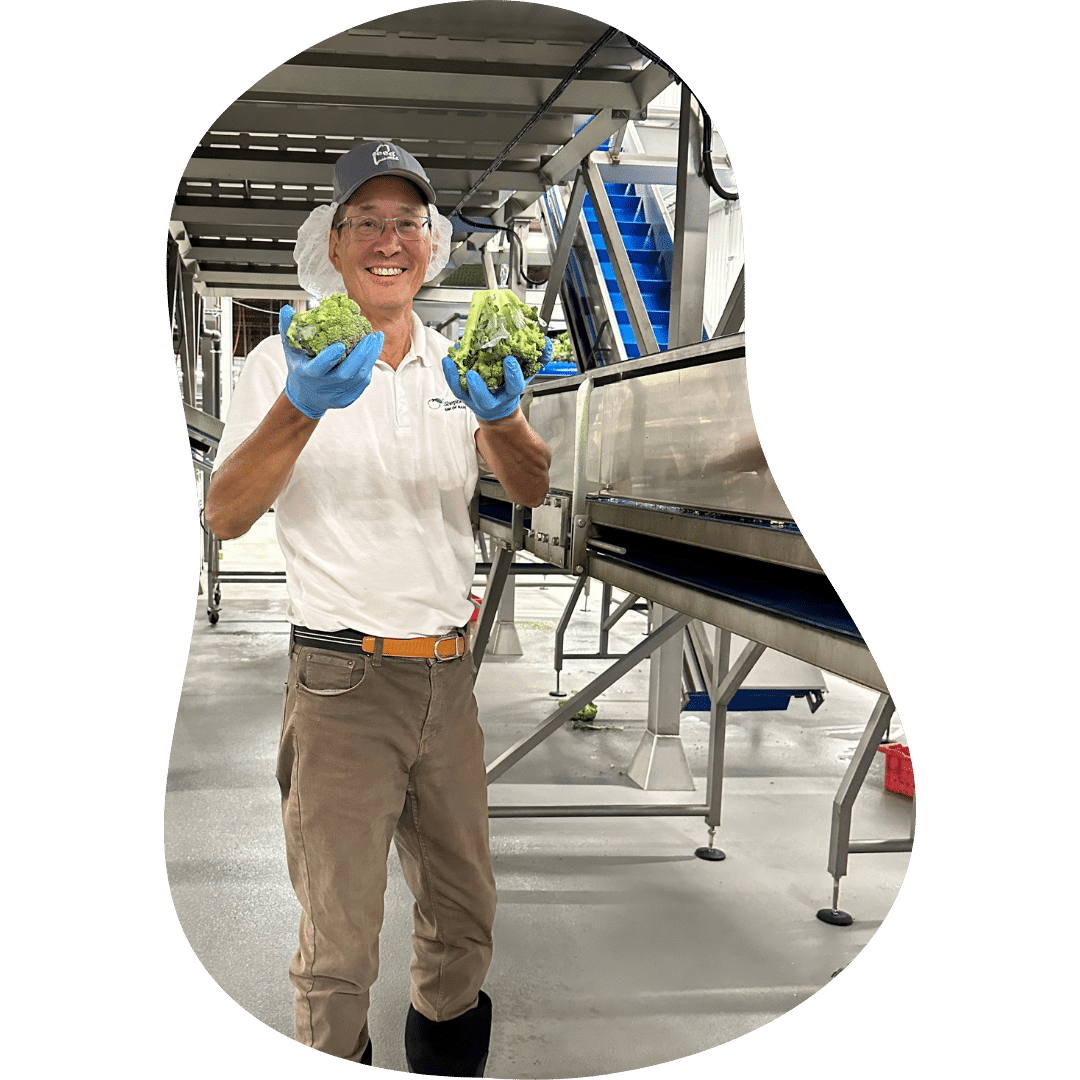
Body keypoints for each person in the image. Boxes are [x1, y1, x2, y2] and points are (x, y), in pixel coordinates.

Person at [205, 140, 552, 1074]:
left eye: (408, 222)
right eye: (368, 221)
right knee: (342, 945)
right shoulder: (283, 363)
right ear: (336, 241)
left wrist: (504, 417)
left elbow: (527, 488)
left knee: (464, 917)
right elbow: (225, 514)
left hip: (447, 678)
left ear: (432, 246)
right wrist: (303, 410)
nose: (389, 240)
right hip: (339, 682)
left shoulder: (456, 363)